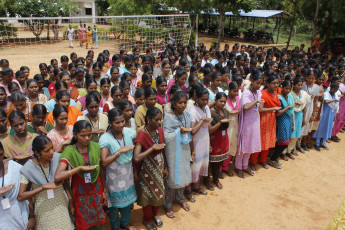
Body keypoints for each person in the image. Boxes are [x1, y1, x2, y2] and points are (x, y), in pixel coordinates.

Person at [54, 120, 106, 230]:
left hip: (96, 190)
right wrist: (78, 168)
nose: (87, 138)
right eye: (83, 135)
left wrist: (104, 191)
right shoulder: (70, 151)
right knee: (83, 221)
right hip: (80, 193)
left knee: (97, 221)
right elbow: (58, 176)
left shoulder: (96, 147)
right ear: (75, 135)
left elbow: (101, 170)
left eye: (89, 135)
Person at [18, 136, 74, 230]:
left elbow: (65, 185)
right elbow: (21, 196)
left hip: (61, 206)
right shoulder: (28, 168)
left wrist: (71, 203)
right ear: (37, 153)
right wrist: (43, 187)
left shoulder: (58, 159)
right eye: (46, 151)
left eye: (52, 148)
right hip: (43, 211)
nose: (51, 152)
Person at [99, 109, 137, 230]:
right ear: (110, 122)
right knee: (114, 206)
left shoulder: (128, 132)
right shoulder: (105, 138)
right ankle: (115, 226)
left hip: (128, 175)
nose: (121, 125)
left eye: (122, 121)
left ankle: (125, 223)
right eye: (117, 122)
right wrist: (119, 152)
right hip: (114, 178)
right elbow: (104, 162)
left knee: (127, 202)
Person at [133, 107, 167, 230]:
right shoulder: (142, 134)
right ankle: (147, 218)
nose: (159, 122)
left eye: (160, 119)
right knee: (147, 195)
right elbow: (136, 157)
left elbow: (163, 150)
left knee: (159, 192)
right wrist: (152, 149)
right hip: (146, 169)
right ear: (148, 119)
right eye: (156, 120)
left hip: (159, 166)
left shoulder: (160, 131)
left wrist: (166, 167)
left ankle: (155, 214)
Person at [163, 91, 192, 217]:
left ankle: (180, 199)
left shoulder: (186, 115)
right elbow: (166, 137)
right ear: (174, 103)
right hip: (173, 152)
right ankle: (167, 204)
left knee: (184, 172)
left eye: (185, 102)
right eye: (180, 102)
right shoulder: (169, 117)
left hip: (185, 148)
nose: (183, 105)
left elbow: (190, 131)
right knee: (173, 176)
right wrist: (178, 131)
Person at [250, 75, 281, 170]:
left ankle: (263, 160)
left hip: (272, 119)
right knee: (260, 140)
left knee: (269, 140)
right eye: (273, 83)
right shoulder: (263, 93)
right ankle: (253, 161)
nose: (276, 85)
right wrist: (273, 109)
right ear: (268, 84)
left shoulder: (275, 93)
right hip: (263, 119)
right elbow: (260, 109)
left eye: (277, 83)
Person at [236, 74, 264, 178]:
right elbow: (246, 107)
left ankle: (245, 165)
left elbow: (259, 108)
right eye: (257, 83)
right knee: (244, 145)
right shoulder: (246, 93)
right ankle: (238, 167)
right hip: (247, 122)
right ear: (252, 80)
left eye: (260, 83)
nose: (259, 85)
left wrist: (261, 103)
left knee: (251, 144)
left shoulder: (258, 93)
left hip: (255, 121)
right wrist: (256, 101)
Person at [0, 141, 31, 230]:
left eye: (0, 154)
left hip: (17, 215)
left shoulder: (15, 168)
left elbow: (26, 192)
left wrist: (32, 217)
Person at [187, 87, 212, 193]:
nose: (205, 102)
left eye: (207, 99)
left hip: (205, 138)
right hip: (196, 141)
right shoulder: (192, 111)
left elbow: (209, 125)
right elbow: (192, 131)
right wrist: (202, 121)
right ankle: (189, 190)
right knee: (194, 164)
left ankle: (196, 186)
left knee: (202, 162)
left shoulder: (206, 108)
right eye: (203, 99)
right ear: (197, 98)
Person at [268, 80, 294, 169]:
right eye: (286, 88)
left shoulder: (290, 97)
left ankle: (274, 157)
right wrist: (287, 107)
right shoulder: (279, 98)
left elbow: (292, 110)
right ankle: (273, 159)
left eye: (290, 89)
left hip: (289, 119)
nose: (288, 90)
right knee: (283, 142)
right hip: (282, 120)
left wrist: (293, 123)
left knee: (286, 141)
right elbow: (277, 113)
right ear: (282, 88)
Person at [282, 78, 310, 160]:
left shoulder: (303, 94)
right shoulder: (290, 94)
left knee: (296, 134)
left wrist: (304, 118)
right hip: (290, 115)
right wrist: (295, 103)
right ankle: (283, 152)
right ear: (294, 85)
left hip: (299, 115)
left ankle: (289, 151)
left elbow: (304, 106)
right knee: (288, 134)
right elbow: (287, 105)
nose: (300, 86)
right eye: (298, 85)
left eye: (301, 85)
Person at [208, 92, 230, 189]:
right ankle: (207, 180)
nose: (222, 103)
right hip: (214, 139)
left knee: (220, 161)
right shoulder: (210, 112)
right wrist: (220, 123)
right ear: (215, 100)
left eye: (224, 102)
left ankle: (216, 179)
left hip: (223, 138)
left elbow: (227, 125)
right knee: (210, 162)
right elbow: (209, 130)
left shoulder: (225, 111)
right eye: (220, 101)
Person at [313, 83, 339, 151]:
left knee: (328, 128)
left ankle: (323, 143)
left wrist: (335, 115)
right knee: (321, 127)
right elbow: (326, 102)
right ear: (330, 88)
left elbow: (336, 106)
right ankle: (317, 143)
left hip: (331, 114)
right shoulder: (326, 93)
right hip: (325, 113)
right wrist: (334, 100)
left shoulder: (336, 95)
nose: (335, 91)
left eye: (336, 89)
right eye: (334, 89)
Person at [223, 82, 240, 176]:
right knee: (226, 146)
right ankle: (221, 168)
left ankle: (225, 166)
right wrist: (231, 113)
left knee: (233, 146)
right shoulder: (224, 100)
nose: (236, 93)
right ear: (229, 90)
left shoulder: (238, 99)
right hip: (227, 126)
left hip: (236, 124)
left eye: (237, 91)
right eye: (234, 91)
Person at [331, 77, 345, 141]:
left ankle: (335, 133)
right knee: (338, 119)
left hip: (343, 106)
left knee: (342, 120)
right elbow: (337, 95)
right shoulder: (341, 86)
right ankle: (332, 134)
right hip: (340, 105)